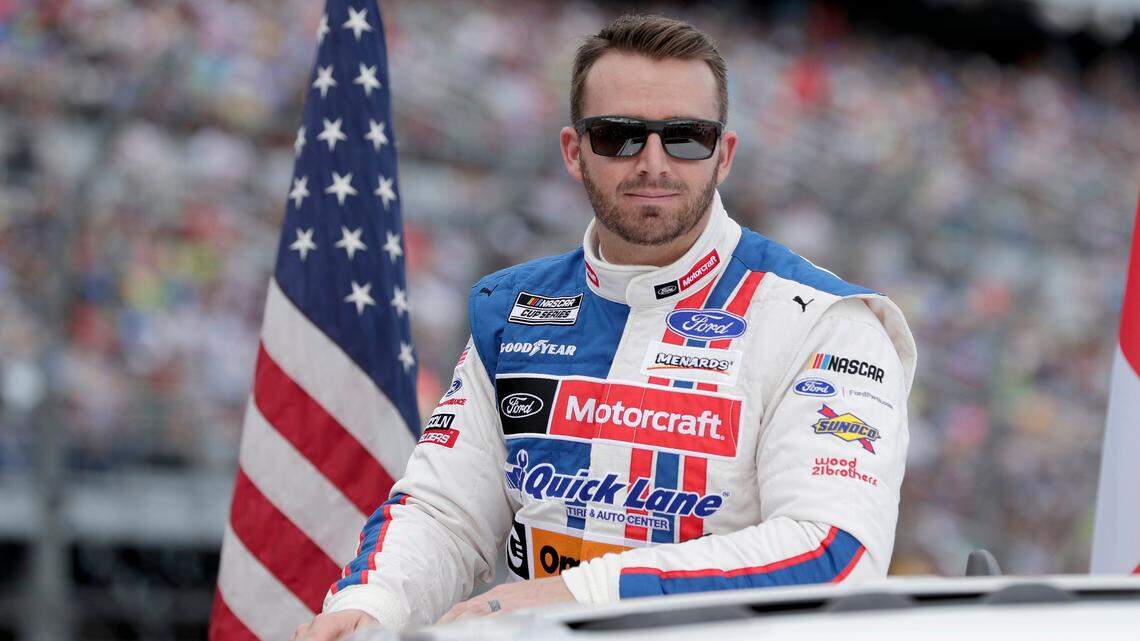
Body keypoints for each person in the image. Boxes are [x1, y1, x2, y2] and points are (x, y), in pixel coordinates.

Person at [293, 13, 916, 640]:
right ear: (574, 151)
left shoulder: (827, 323)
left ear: (723, 156)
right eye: (618, 136)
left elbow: (834, 557)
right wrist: (372, 606)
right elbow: (445, 510)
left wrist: (575, 595)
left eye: (686, 137)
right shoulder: (513, 309)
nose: (652, 162)